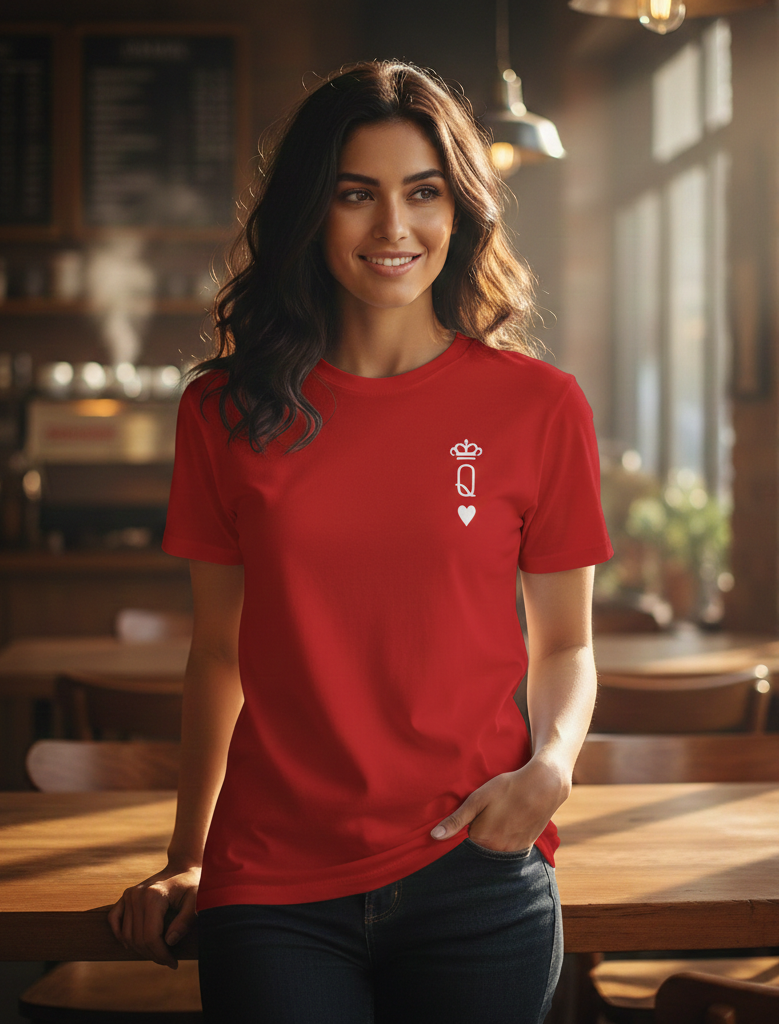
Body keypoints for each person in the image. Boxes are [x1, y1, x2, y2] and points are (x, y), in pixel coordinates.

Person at [108, 60, 613, 1024]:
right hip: (273, 883)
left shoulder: (539, 407)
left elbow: (566, 645)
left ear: (460, 211)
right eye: (355, 195)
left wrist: (550, 770)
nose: (393, 228)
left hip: (478, 866)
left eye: (423, 193)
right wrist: (187, 854)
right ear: (311, 212)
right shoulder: (222, 411)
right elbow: (218, 654)